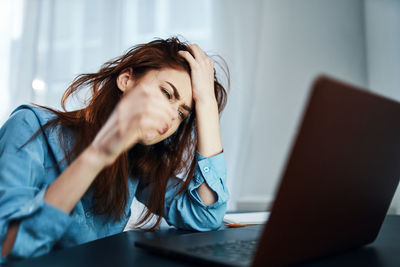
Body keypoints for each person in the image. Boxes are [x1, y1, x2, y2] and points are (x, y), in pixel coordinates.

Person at [0, 37, 230, 262]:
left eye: (182, 114)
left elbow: (205, 215)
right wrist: (98, 154)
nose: (172, 116)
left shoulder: (138, 158)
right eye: (167, 93)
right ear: (126, 80)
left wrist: (207, 103)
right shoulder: (29, 126)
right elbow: (7, 248)